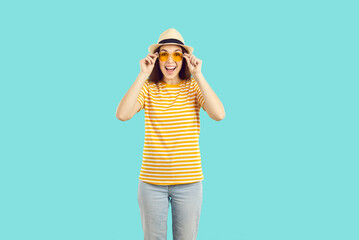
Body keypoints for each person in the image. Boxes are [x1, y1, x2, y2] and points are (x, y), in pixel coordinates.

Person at [115, 28, 225, 240]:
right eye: (164, 54)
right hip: (151, 182)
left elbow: (219, 114)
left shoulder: (193, 87)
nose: (170, 60)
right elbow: (122, 114)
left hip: (189, 182)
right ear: (157, 59)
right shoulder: (148, 89)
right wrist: (142, 74)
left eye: (176, 54)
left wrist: (199, 75)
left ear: (184, 59)